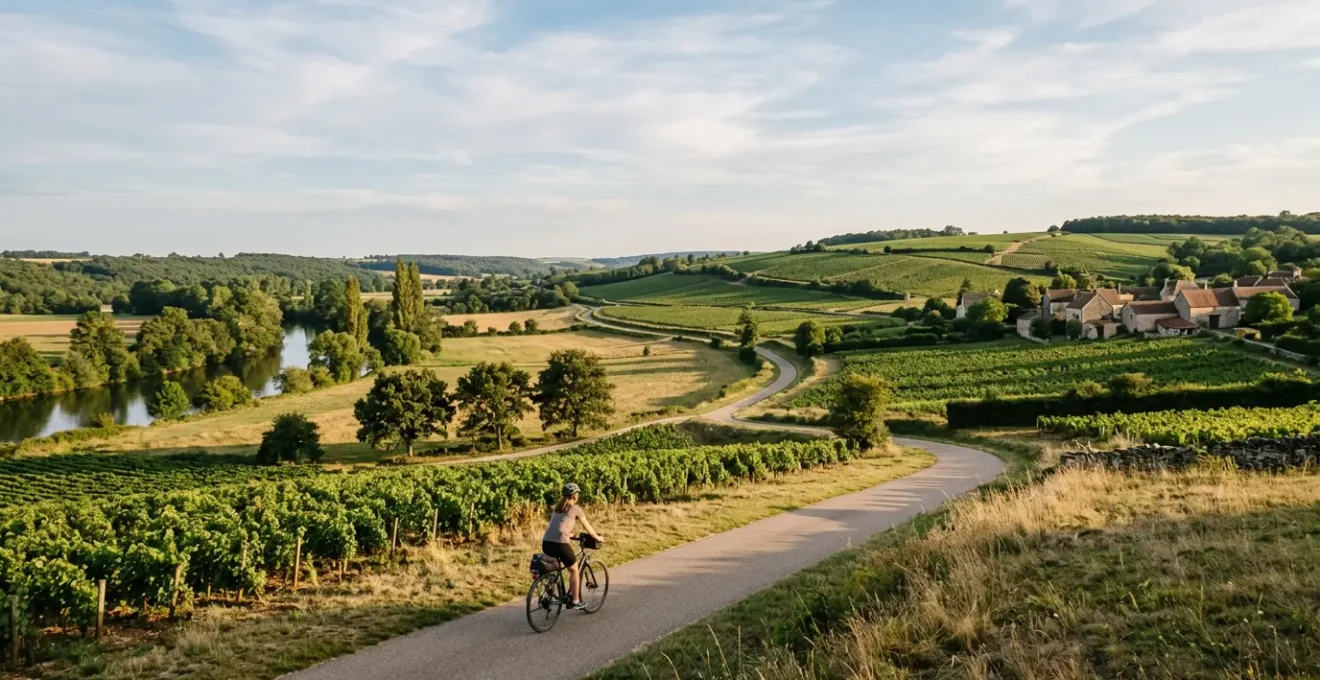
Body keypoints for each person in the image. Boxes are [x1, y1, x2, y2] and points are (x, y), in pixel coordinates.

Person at [542, 482, 603, 609]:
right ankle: (575, 601)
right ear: (574, 496)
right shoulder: (576, 509)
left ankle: (548, 577)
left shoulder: (557, 507)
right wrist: (598, 537)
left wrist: (568, 534)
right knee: (574, 569)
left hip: (546, 543)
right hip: (560, 544)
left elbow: (558, 526)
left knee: (562, 563)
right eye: (577, 494)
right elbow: (588, 528)